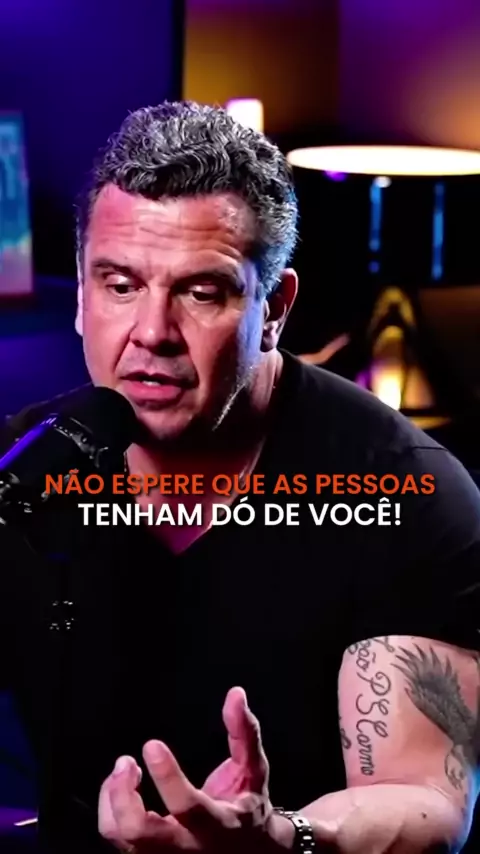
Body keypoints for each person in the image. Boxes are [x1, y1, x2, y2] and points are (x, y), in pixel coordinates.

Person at [2, 100, 480, 854]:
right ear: (83, 296)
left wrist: (281, 837)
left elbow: (424, 797)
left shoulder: (402, 492)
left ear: (274, 309)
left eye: (201, 293)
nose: (152, 333)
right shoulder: (24, 472)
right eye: (120, 285)